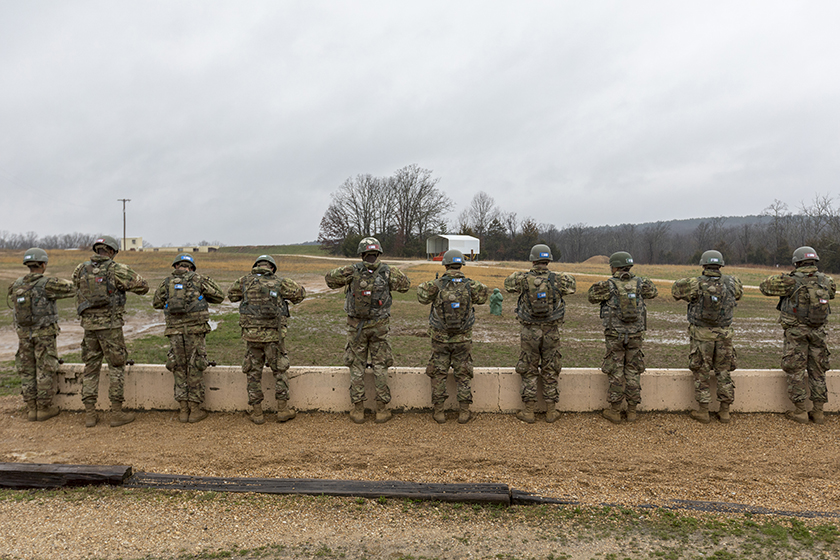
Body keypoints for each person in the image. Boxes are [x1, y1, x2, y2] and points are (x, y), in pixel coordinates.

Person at [325, 237, 410, 424]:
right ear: (378, 253)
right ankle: (381, 410)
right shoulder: (388, 271)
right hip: (379, 327)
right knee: (380, 366)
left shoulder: (352, 270)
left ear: (361, 253)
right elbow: (405, 285)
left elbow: (330, 280)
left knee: (357, 366)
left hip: (356, 327)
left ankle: (358, 410)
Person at [72, 235, 149, 427]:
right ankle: (116, 413)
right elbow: (143, 286)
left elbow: (76, 286)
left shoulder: (81, 268)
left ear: (97, 250)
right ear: (112, 252)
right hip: (111, 327)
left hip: (89, 327)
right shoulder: (117, 269)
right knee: (116, 366)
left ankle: (90, 414)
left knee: (90, 368)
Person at [759, 246, 836, 424]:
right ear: (814, 261)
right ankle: (818, 412)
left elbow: (765, 287)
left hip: (796, 332)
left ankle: (800, 411)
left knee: (796, 370)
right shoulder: (826, 280)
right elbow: (831, 293)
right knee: (818, 371)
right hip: (818, 332)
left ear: (797, 262)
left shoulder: (791, 281)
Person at [227, 255, 306, 424]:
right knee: (279, 372)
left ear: (256, 266)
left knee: (253, 373)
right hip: (273, 337)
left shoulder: (243, 281)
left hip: (252, 336)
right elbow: (299, 295)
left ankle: (257, 413)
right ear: (272, 268)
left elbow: (232, 296)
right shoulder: (280, 282)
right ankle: (282, 410)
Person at [504, 244, 576, 423]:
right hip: (551, 331)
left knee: (529, 369)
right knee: (550, 368)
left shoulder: (521, 278)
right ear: (548, 260)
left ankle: (528, 411)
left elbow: (508, 285)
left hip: (530, 331)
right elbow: (572, 287)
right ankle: (551, 411)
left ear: (533, 260)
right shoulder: (560, 279)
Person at [417, 249, 489, 424]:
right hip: (463, 339)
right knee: (463, 374)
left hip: (440, 338)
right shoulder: (471, 285)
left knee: (438, 373)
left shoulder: (437, 285)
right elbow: (483, 296)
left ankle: (439, 412)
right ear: (461, 265)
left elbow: (421, 296)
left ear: (446, 264)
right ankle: (464, 412)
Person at [672, 250, 743, 424]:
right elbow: (738, 295)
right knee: (724, 373)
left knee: (701, 373)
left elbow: (675, 291)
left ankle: (703, 411)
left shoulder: (694, 283)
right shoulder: (733, 282)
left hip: (702, 335)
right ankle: (725, 411)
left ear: (703, 265)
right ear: (721, 265)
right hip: (724, 335)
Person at [152, 254, 225, 423]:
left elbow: (156, 303)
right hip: (196, 331)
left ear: (176, 266)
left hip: (175, 332)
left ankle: (183, 410)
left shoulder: (166, 282)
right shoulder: (199, 280)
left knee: (178, 367)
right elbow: (219, 296)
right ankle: (195, 410)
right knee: (195, 366)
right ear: (191, 267)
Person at [588, 251, 657, 424]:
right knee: (633, 370)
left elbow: (591, 297)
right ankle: (632, 411)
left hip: (615, 335)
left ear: (615, 267)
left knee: (616, 371)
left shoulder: (608, 285)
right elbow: (654, 292)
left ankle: (615, 411)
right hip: (635, 335)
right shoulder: (642, 284)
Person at [8, 248, 75, 421]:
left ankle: (31, 409)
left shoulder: (16, 284)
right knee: (45, 368)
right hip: (44, 334)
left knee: (27, 371)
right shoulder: (48, 283)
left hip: (24, 335)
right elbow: (72, 289)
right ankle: (44, 408)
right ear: (43, 264)